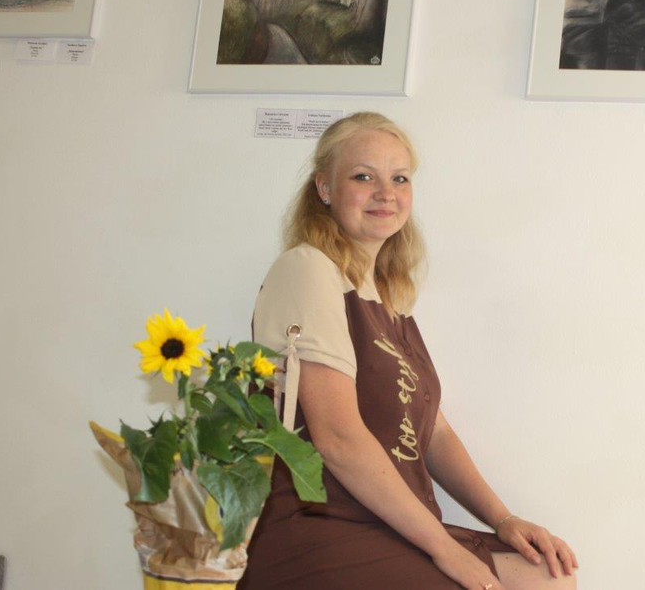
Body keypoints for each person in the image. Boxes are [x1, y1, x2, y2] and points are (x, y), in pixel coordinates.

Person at [239, 112, 577, 590]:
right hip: (320, 525)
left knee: (548, 575)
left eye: (399, 178)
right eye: (363, 177)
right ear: (324, 188)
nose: (386, 193)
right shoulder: (307, 269)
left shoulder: (388, 299)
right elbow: (337, 438)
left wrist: (503, 519)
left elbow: (433, 432)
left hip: (386, 523)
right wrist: (446, 551)